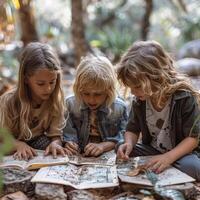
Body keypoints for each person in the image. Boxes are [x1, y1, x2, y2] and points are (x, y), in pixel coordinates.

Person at [117, 40, 200, 180]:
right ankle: (161, 165)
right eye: (130, 87)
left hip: (182, 153)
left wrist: (168, 158)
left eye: (137, 86)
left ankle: (165, 164)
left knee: (194, 168)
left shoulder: (184, 97)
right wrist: (128, 143)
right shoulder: (140, 99)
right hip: (153, 150)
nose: (132, 92)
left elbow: (193, 138)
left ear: (156, 77)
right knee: (119, 147)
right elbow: (132, 129)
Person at [0, 42, 67, 160]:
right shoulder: (8, 101)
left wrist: (55, 143)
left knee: (49, 146)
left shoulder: (55, 101)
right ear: (26, 79)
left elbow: (56, 135)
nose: (48, 89)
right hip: (10, 141)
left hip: (35, 141)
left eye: (52, 82)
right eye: (40, 83)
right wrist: (18, 145)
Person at [63, 55, 127, 157]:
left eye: (98, 94)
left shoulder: (119, 108)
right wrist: (69, 143)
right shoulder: (70, 104)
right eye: (86, 93)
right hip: (79, 154)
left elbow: (124, 134)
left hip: (107, 153)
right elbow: (67, 132)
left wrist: (104, 146)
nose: (91, 100)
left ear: (108, 90)